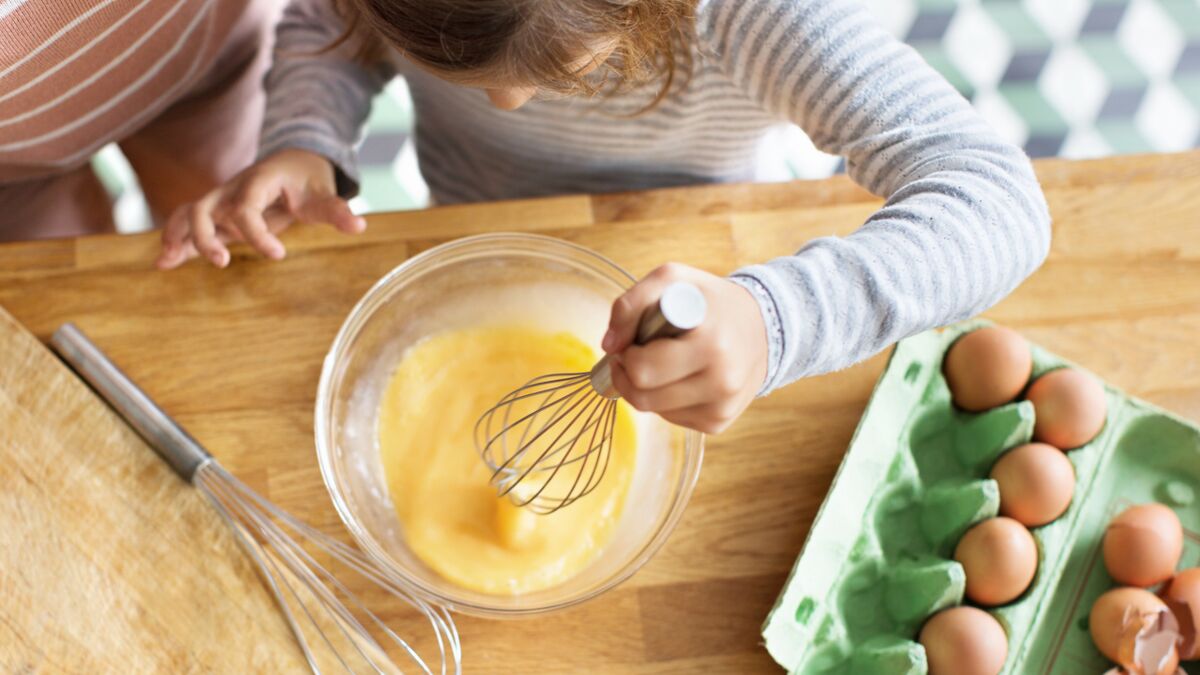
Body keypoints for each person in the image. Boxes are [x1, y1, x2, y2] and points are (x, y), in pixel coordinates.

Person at [160, 0, 1052, 434]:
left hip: (699, 255)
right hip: (478, 229)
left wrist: (774, 319)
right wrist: (307, 137)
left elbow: (997, 200)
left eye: (566, 72)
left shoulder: (765, 15)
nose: (505, 102)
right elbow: (329, 22)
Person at [0, 0, 283, 240]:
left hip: (211, 56)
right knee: (68, 287)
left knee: (241, 235)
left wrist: (305, 139)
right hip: (15, 168)